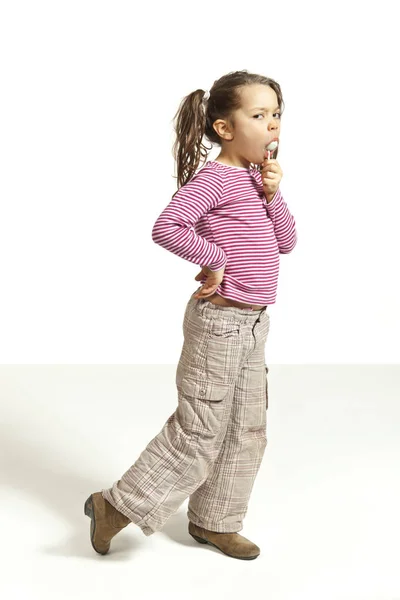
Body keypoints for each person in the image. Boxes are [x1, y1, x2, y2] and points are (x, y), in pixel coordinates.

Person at [84, 69, 297, 560]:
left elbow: (285, 242)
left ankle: (215, 519)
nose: (272, 125)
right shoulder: (216, 178)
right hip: (219, 321)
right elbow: (167, 227)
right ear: (225, 128)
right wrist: (215, 259)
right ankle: (116, 505)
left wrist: (273, 194)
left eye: (277, 115)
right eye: (259, 115)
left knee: (247, 428)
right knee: (201, 427)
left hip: (254, 321)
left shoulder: (254, 179)